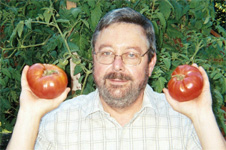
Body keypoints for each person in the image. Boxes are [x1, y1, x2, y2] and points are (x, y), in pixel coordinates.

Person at [7, 7, 226, 150]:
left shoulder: (183, 122)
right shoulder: (57, 121)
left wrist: (202, 114)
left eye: (131, 55)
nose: (117, 66)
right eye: (106, 53)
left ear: (150, 63)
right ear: (93, 59)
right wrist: (29, 114)